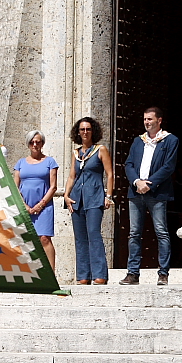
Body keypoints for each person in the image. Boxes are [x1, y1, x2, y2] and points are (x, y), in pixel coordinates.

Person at [121, 107, 179, 285]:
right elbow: (129, 164)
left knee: (161, 232)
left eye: (150, 119)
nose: (147, 122)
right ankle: (133, 273)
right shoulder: (138, 141)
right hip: (136, 191)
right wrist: (137, 181)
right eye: (145, 119)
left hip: (157, 192)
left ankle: (163, 273)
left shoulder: (170, 140)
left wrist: (149, 183)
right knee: (134, 233)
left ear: (159, 120)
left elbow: (168, 167)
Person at [64, 118, 114, 285]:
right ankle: (83, 275)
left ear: (93, 131)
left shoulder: (100, 150)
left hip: (95, 197)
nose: (85, 132)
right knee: (80, 237)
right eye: (82, 129)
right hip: (77, 198)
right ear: (78, 132)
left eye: (88, 129)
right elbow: (72, 176)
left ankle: (99, 274)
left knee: (94, 234)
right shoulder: (75, 153)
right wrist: (66, 195)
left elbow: (110, 174)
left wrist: (108, 196)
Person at [14, 131, 58, 270]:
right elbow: (15, 187)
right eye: (32, 142)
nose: (35, 145)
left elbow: (53, 187)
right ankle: (31, 273)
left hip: (44, 206)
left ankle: (51, 274)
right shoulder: (20, 163)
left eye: (38, 142)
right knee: (27, 240)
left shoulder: (50, 161)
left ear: (42, 144)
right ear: (28, 144)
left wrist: (41, 204)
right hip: (25, 206)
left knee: (44, 238)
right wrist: (25, 206)